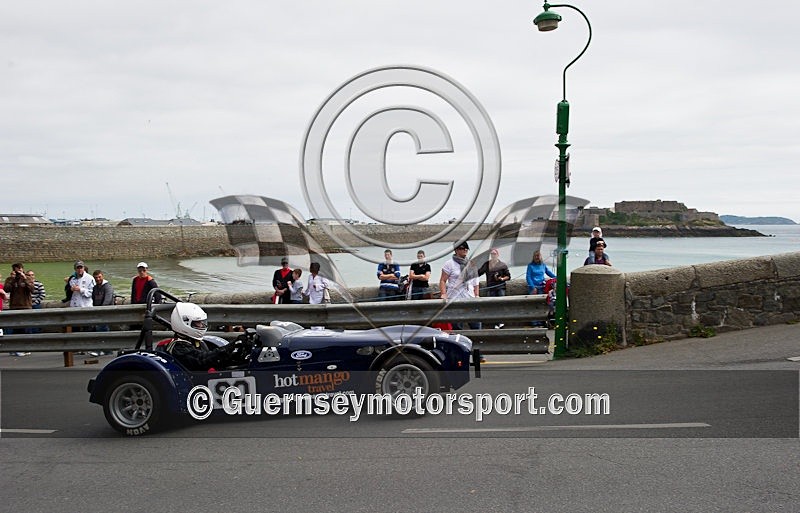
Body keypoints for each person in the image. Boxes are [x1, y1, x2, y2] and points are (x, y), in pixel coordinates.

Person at [165, 302, 249, 371]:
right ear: (185, 323)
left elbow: (213, 359)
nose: (202, 325)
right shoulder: (178, 347)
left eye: (202, 322)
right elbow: (202, 361)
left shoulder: (197, 342)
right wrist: (231, 346)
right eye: (198, 322)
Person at [439, 241, 481, 330]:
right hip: (454, 298)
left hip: (469, 297)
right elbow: (443, 280)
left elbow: (475, 282)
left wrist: (476, 295)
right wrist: (444, 293)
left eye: (466, 248)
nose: (465, 250)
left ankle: (479, 341)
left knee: (476, 324)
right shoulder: (449, 264)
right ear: (456, 250)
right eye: (462, 248)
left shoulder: (472, 263)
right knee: (457, 326)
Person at [92, 270, 114, 335]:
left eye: (99, 277)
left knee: (104, 330)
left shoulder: (108, 287)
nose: (98, 279)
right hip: (97, 313)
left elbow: (108, 300)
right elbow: (93, 300)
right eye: (96, 278)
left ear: (102, 276)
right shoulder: (95, 288)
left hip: (106, 313)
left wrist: (101, 310)